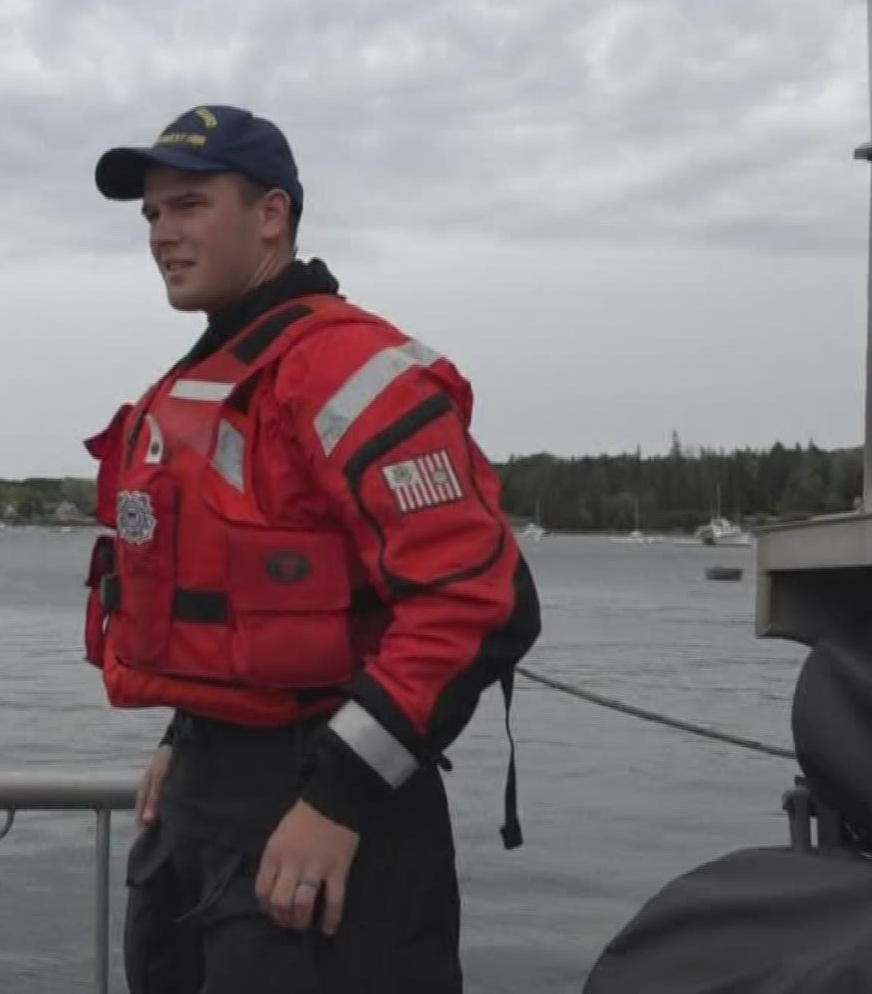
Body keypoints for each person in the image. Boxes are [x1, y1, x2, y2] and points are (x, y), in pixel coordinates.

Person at [80, 105, 541, 993]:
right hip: (208, 807)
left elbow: (480, 602)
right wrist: (190, 733)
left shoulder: (343, 370)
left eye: (188, 206)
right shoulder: (213, 375)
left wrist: (338, 800)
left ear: (271, 216)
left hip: (328, 819)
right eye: (150, 215)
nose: (161, 234)